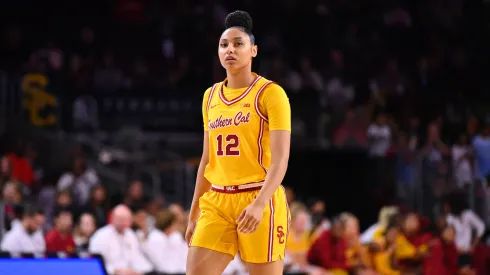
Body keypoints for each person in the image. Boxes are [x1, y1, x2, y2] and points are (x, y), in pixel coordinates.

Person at [185, 10, 291, 275]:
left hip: (259, 195)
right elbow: (207, 159)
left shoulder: (271, 94)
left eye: (238, 44)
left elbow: (280, 160)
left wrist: (259, 204)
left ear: (254, 50)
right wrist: (194, 209)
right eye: (224, 45)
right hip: (218, 200)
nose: (229, 50)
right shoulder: (210, 96)